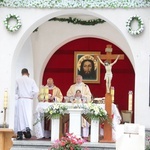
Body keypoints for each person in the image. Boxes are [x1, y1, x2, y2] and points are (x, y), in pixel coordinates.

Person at [14, 68, 39, 140]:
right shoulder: (31, 80)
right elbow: (36, 91)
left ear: (21, 73)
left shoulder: (18, 80)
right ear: (27, 73)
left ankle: (20, 133)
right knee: (28, 115)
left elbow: (14, 90)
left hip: (21, 99)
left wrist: (17, 97)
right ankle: (27, 130)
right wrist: (32, 96)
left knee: (20, 116)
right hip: (28, 100)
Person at [67, 75, 92, 140]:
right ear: (75, 79)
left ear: (82, 79)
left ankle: (85, 136)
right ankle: (73, 135)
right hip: (74, 105)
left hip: (82, 105)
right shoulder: (72, 87)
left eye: (79, 79)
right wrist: (74, 95)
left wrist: (82, 95)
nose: (78, 80)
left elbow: (89, 96)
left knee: (84, 121)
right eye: (77, 79)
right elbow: (68, 95)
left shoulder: (85, 86)